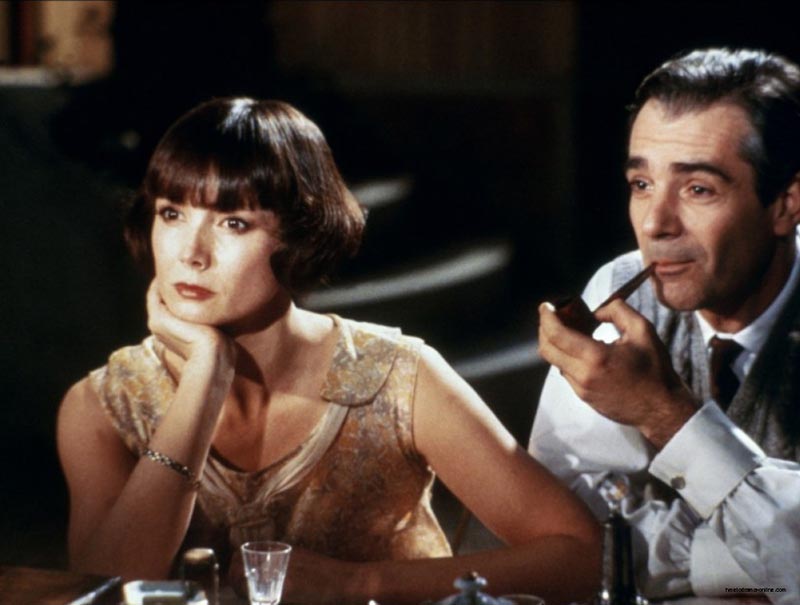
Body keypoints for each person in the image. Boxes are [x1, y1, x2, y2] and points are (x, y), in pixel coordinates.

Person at [57, 97, 600, 605]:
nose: (191, 254)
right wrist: (204, 379)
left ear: (302, 237)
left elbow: (583, 556)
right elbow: (99, 594)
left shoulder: (395, 377)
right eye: (172, 213)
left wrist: (359, 582)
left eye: (233, 223)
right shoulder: (102, 407)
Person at [530, 47, 800, 605]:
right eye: (641, 184)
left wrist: (666, 414)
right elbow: (568, 533)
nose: (654, 224)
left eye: (698, 189)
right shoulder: (619, 291)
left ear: (785, 204)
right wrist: (749, 567)